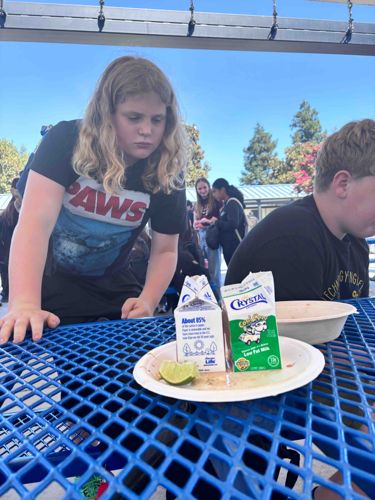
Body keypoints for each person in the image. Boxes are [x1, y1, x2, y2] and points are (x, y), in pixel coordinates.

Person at [0, 56, 188, 344]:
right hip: (56, 278)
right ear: (107, 115)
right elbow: (34, 225)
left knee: (131, 374)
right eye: (134, 117)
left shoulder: (166, 169)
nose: (147, 130)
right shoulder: (65, 141)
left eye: (157, 119)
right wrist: (24, 302)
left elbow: (165, 250)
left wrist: (149, 300)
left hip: (115, 277)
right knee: (77, 371)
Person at [225, 119, 375, 302]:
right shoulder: (292, 239)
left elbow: (357, 320)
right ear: (343, 184)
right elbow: (298, 331)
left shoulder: (356, 242)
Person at [193, 177, 222, 290]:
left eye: (204, 187)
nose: (202, 190)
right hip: (200, 237)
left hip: (212, 237)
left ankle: (220, 299)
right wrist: (197, 223)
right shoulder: (197, 204)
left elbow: (218, 219)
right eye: (199, 188)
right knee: (203, 270)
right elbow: (195, 222)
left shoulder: (215, 201)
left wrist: (208, 221)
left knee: (214, 271)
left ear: (209, 187)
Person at [211, 178, 247, 266]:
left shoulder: (232, 203)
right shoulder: (226, 204)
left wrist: (217, 222)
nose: (213, 195)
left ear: (222, 190)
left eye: (214, 191)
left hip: (234, 247)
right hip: (228, 247)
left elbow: (233, 224)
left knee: (237, 274)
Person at [0, 178, 21, 303]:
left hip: (6, 252)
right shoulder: (14, 210)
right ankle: (8, 293)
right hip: (10, 251)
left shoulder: (7, 212)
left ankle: (7, 293)